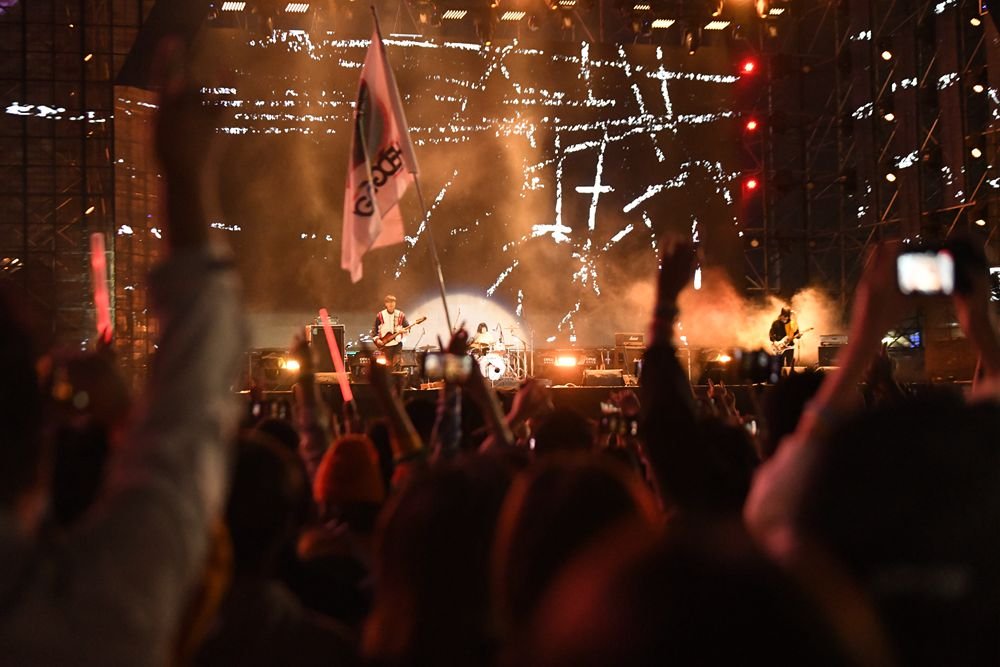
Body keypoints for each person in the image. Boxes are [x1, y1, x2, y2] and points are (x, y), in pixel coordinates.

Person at [372, 294, 410, 369]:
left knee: (397, 363)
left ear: (395, 303)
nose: (391, 304)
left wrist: (404, 331)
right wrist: (377, 339)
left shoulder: (400, 315)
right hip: (386, 345)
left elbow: (407, 327)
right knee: (388, 366)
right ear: (386, 304)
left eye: (393, 302)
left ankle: (397, 375)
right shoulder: (380, 315)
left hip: (397, 343)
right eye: (389, 302)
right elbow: (374, 329)